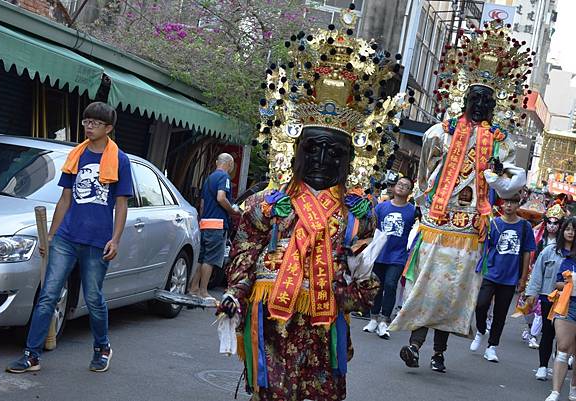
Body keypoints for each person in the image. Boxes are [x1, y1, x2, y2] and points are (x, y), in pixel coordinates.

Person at [217, 8, 405, 400]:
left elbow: (366, 279)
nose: (322, 161)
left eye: (334, 153)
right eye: (313, 150)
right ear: (296, 152)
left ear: (350, 161)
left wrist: (342, 288)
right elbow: (245, 251)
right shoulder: (267, 204)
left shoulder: (358, 214)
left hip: (324, 326)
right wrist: (236, 291)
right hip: (273, 321)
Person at [390, 21, 532, 374]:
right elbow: (424, 174)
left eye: (487, 100)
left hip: (471, 228)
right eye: (475, 99)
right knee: (429, 286)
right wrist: (426, 199)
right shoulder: (441, 132)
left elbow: (511, 184)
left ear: (495, 105)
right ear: (464, 99)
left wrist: (497, 172)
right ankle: (415, 344)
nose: (480, 105)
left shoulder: (500, 142)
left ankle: (437, 351)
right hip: (439, 221)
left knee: (454, 293)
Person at [6, 102, 133, 373]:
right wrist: (50, 236)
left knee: (94, 297)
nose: (88, 126)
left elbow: (121, 204)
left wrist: (116, 239)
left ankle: (102, 348)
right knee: (49, 294)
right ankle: (31, 355)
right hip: (66, 236)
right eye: (86, 121)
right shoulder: (77, 155)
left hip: (98, 240)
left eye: (95, 123)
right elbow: (65, 199)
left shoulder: (119, 160)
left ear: (108, 128)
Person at [469, 192, 536, 361]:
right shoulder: (494, 223)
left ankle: (492, 346)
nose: (508, 206)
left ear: (518, 205)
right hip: (491, 272)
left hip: (510, 277)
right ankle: (481, 329)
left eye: (512, 203)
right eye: (506, 202)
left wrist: (523, 278)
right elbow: (484, 246)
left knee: (500, 313)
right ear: (501, 204)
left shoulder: (524, 226)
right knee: (481, 304)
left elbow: (527, 252)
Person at [526, 217, 576, 381]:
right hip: (549, 297)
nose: (571, 233)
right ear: (562, 231)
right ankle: (543, 366)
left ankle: (559, 365)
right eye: (568, 229)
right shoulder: (550, 250)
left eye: (574, 230)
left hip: (572, 302)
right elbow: (537, 272)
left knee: (565, 338)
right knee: (548, 333)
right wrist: (532, 294)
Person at [363, 177, 416, 339]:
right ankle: (373, 318)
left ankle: (384, 320)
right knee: (377, 285)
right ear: (394, 188)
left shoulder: (412, 211)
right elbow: (372, 228)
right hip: (380, 253)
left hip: (398, 255)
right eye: (399, 184)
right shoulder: (381, 207)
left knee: (391, 284)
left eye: (406, 186)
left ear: (409, 191)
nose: (401, 187)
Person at [189, 153, 240, 302]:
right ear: (229, 165)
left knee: (201, 258)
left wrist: (202, 220)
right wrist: (232, 211)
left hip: (204, 223)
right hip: (217, 224)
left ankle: (193, 288)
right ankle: (204, 292)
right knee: (210, 260)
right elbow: (221, 197)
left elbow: (203, 204)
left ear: (217, 162)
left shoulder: (209, 178)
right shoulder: (224, 178)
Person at [545, 223, 576, 401]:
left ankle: (574, 386)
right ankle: (555, 392)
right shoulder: (570, 259)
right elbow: (557, 283)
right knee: (562, 347)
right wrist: (570, 283)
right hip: (568, 305)